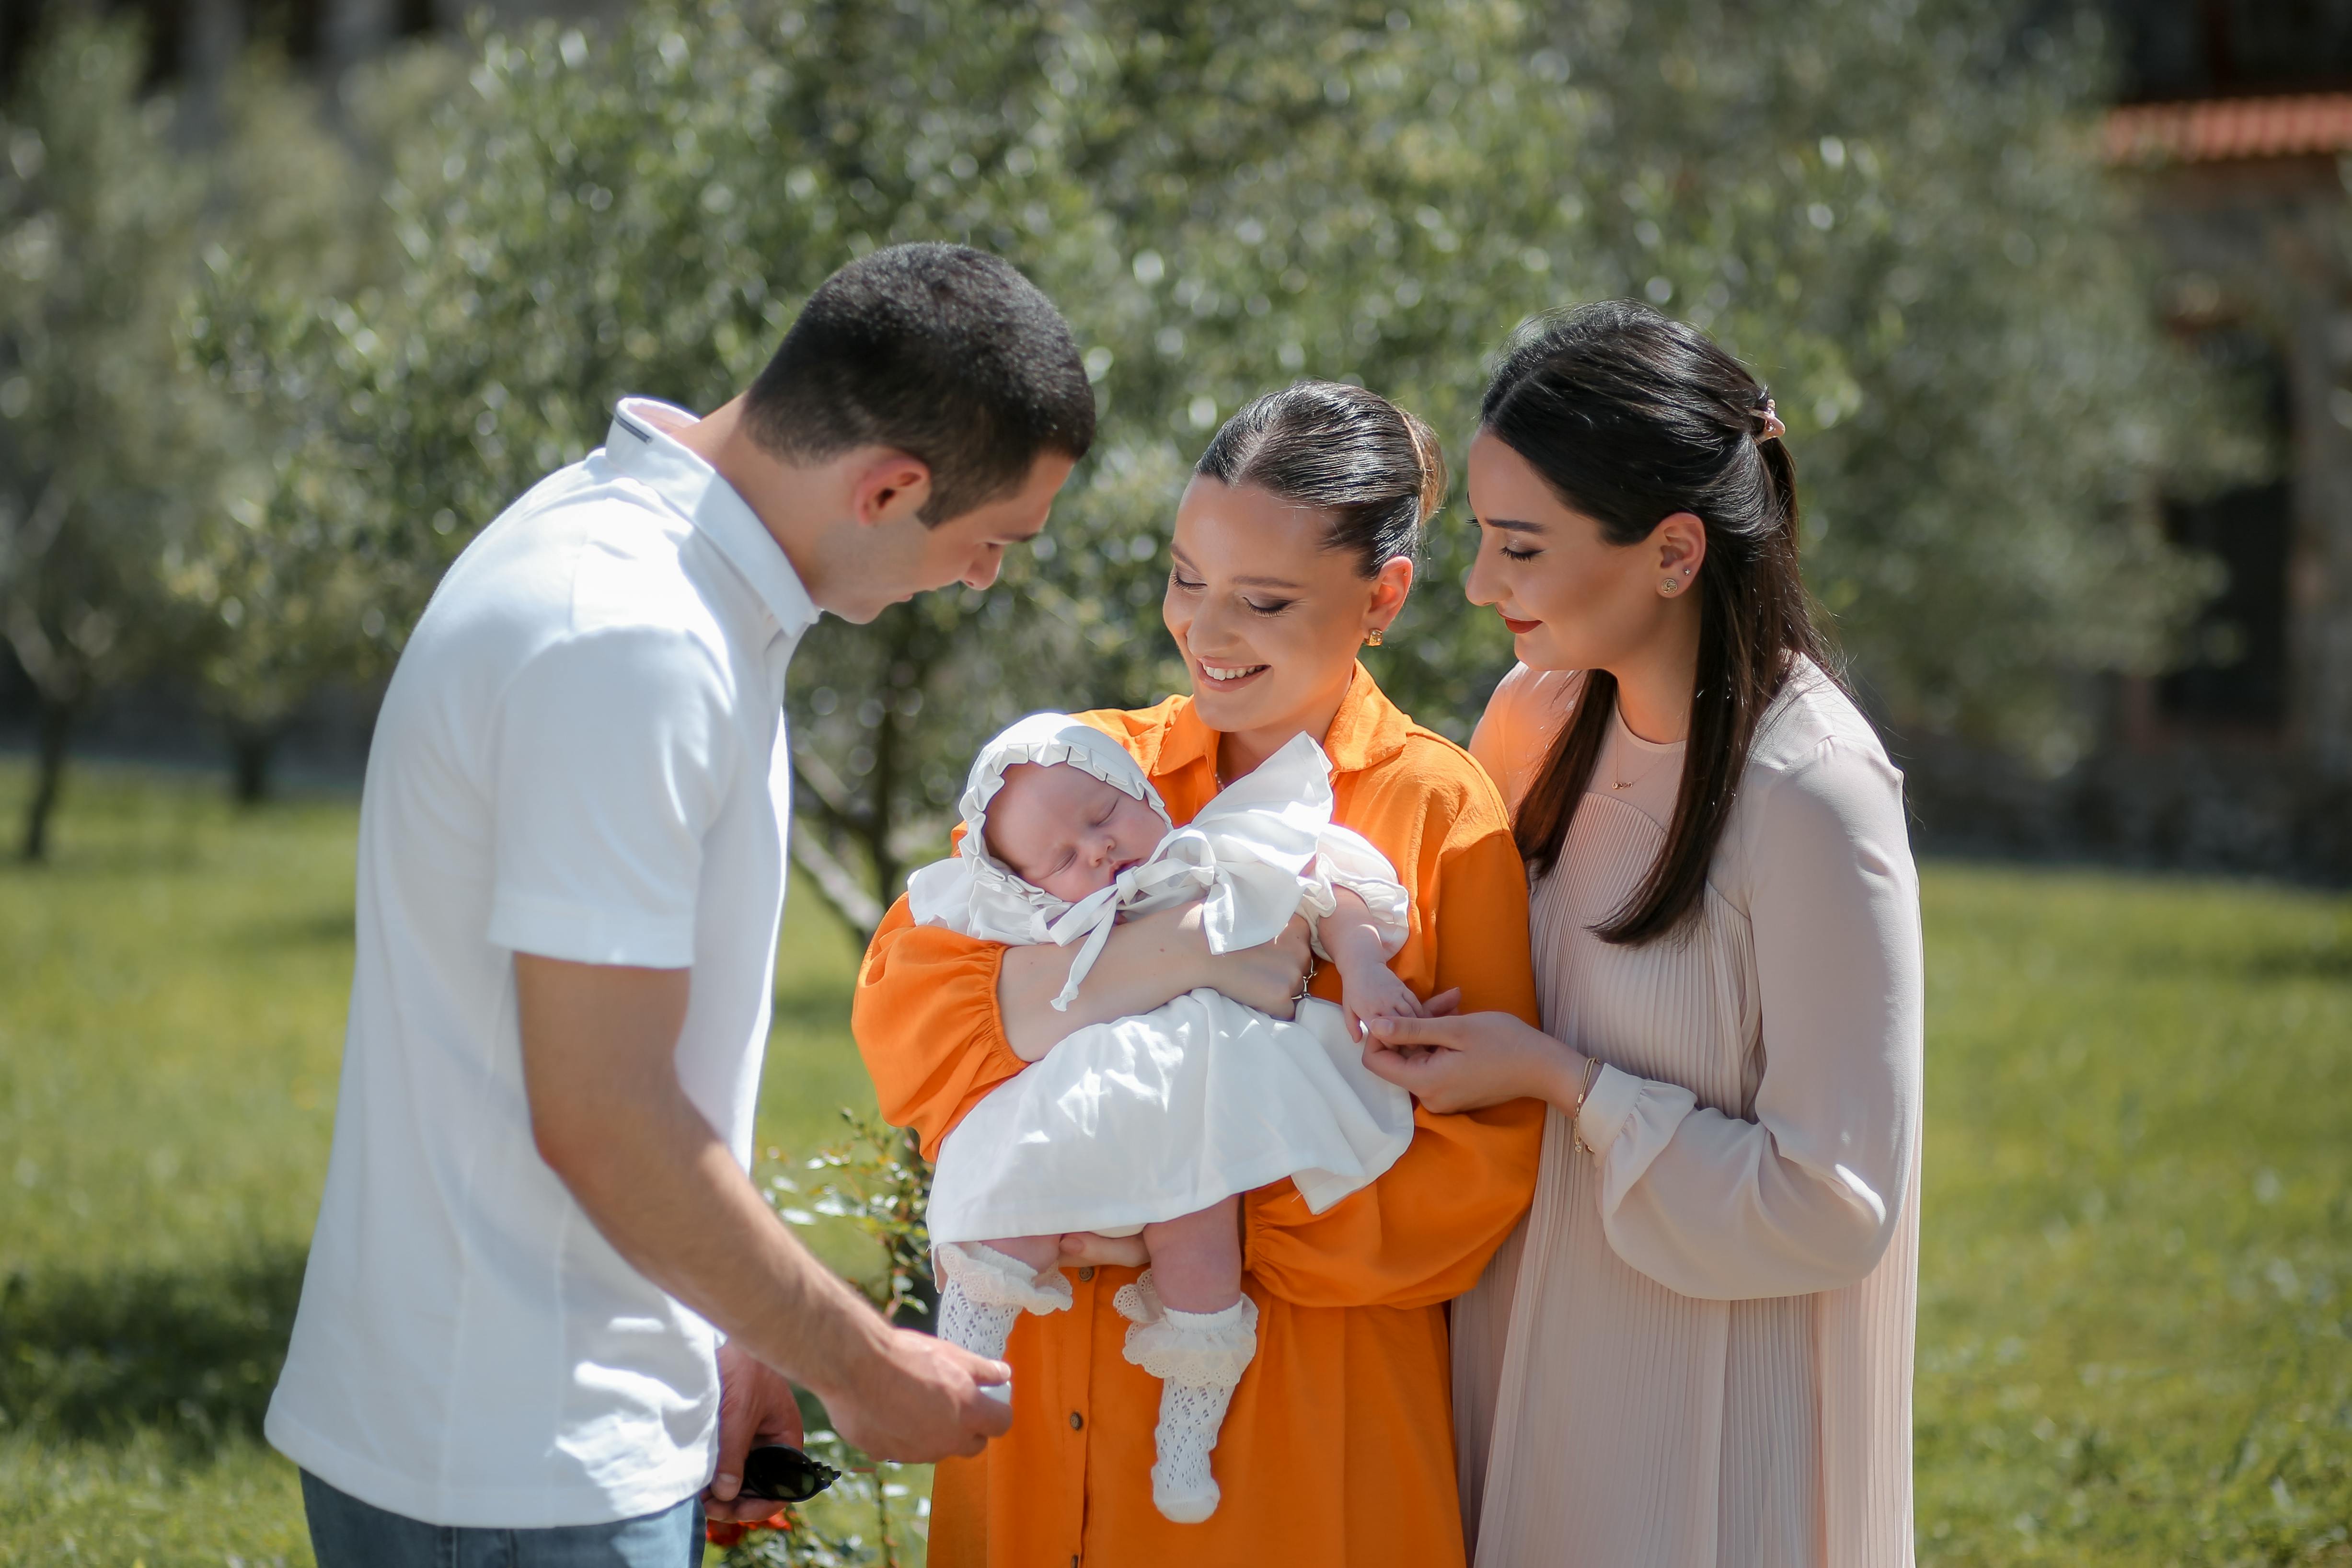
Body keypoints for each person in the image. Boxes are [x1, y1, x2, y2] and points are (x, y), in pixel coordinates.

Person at [265, 243, 1095, 1567]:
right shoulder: (632, 638)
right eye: (990, 543)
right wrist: (864, 1366)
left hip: (519, 1431)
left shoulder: (655, 572)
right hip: (516, 1468)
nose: (985, 578)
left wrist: (733, 1326)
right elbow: (602, 1111)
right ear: (890, 487)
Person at [853, 380, 1546, 1568]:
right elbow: (914, 1021)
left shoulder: (1439, 814)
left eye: (1263, 600)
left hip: (1290, 1455)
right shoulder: (1090, 772)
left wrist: (1187, 1218)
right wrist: (1181, 957)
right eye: (1187, 579)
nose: (1207, 634)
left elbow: (1480, 1171)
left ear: (1383, 596)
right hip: (1041, 1443)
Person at [1361, 300, 1925, 1568]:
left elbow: (1835, 1204)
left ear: (1673, 553)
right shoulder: (1535, 717)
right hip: (1515, 1357)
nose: (1475, 586)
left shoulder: (1813, 796)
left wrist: (1564, 1083)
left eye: (1520, 547)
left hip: (1700, 1425)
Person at [911, 715, 1424, 1522]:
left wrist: (1360, 969)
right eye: (1062, 861)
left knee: (1201, 1256)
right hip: (1089, 1096)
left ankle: (1187, 1434)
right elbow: (944, 978)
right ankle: (959, 1367)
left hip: (1207, 1094)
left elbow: (1338, 893)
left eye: (1102, 818)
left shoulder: (1216, 850)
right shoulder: (1038, 919)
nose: (1097, 854)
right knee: (1012, 1202)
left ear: (1136, 785)